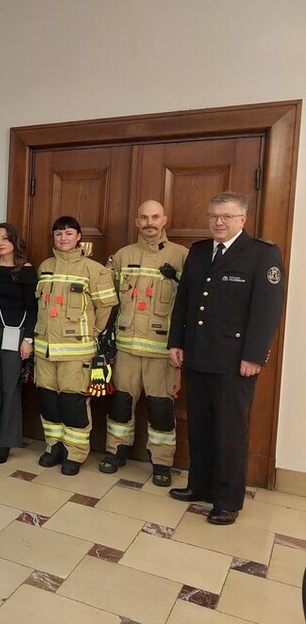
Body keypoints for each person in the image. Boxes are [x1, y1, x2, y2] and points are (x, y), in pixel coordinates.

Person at [168, 192, 285, 524]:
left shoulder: (262, 254)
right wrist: (177, 340)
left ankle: (228, 500)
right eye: (214, 216)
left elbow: (267, 311)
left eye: (227, 217)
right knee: (201, 425)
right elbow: (186, 300)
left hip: (235, 362)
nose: (219, 222)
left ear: (242, 220)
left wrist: (254, 355)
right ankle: (200, 486)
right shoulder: (200, 251)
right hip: (198, 354)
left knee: (230, 431)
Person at [100, 200, 189, 487]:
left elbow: (190, 304)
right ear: (137, 222)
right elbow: (107, 300)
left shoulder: (182, 257)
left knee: (161, 408)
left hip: (162, 350)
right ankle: (116, 451)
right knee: (121, 404)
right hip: (126, 348)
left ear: (165, 220)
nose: (149, 223)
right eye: (144, 218)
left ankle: (161, 462)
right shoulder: (122, 256)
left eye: (155, 217)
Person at [33, 216, 118, 476]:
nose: (63, 238)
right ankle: (54, 447)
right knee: (48, 401)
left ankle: (75, 453)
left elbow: (107, 308)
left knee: (73, 403)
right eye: (58, 234)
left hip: (76, 352)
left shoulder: (95, 270)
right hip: (45, 350)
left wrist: (91, 334)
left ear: (79, 236)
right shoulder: (45, 266)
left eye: (68, 233)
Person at [0, 223, 37, 464]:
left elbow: (33, 309)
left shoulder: (26, 270)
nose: (0, 243)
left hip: (15, 334)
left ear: (14, 241)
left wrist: (28, 339)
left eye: (5, 238)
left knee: (10, 387)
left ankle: (7, 440)